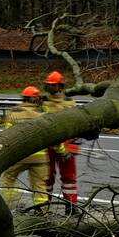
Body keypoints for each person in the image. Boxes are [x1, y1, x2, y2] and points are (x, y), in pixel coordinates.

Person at [0, 86, 51, 209]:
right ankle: (43, 212)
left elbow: (7, 136)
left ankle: (9, 206)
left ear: (24, 98)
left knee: (8, 178)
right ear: (36, 99)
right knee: (40, 186)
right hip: (40, 158)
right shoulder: (43, 113)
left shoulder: (14, 113)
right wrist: (62, 151)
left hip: (19, 156)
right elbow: (52, 134)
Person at [43, 70, 80, 213]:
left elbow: (77, 123)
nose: (50, 88)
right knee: (47, 177)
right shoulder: (44, 102)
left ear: (60, 86)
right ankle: (44, 205)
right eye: (49, 86)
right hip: (48, 145)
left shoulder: (70, 103)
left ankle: (71, 205)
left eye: (53, 86)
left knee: (69, 177)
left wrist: (74, 143)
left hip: (67, 143)